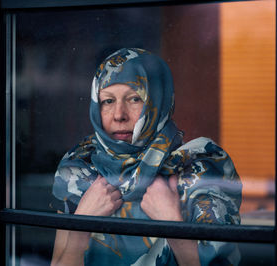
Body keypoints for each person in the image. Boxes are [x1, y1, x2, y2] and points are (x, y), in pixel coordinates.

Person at [50, 48, 242, 266]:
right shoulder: (77, 168)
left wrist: (172, 222)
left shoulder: (200, 167)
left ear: (157, 100)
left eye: (134, 99)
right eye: (108, 101)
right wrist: (80, 226)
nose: (119, 115)